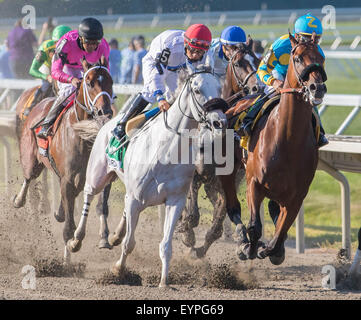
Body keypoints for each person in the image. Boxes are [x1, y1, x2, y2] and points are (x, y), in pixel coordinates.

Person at [112, 23, 212, 141]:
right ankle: (122, 124)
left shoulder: (207, 55)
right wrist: (160, 97)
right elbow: (157, 75)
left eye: (199, 52)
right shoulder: (170, 46)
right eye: (193, 50)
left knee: (178, 95)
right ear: (186, 43)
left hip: (179, 66)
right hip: (156, 64)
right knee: (150, 92)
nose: (195, 55)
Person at [241, 13, 328, 147]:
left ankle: (319, 132)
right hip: (279, 75)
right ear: (296, 36)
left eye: (316, 39)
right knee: (269, 93)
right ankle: (248, 120)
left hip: (302, 79)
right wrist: (273, 82)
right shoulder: (281, 44)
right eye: (306, 38)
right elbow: (261, 69)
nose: (312, 43)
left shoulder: (318, 52)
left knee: (311, 98)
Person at [37, 17, 110, 139]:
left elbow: (106, 72)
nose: (92, 47)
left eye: (95, 43)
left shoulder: (103, 46)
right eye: (88, 42)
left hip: (88, 68)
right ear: (81, 38)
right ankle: (47, 124)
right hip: (67, 68)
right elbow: (55, 71)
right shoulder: (66, 43)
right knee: (69, 90)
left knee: (102, 90)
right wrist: (71, 79)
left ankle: (105, 119)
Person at [26, 25, 72, 116]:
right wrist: (46, 77)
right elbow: (32, 70)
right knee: (46, 86)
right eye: (57, 42)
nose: (61, 45)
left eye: (64, 42)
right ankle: (32, 107)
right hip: (49, 69)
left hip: (65, 71)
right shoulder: (45, 48)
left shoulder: (75, 48)